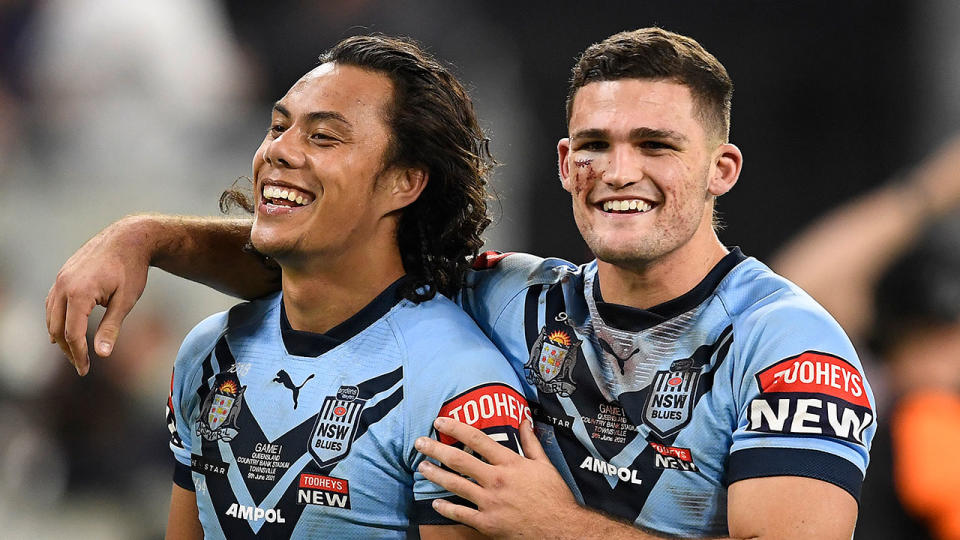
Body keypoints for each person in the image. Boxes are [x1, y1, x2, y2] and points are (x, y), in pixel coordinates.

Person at [47, 28, 874, 538]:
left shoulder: (788, 346)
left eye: (656, 145)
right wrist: (143, 238)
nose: (620, 171)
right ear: (563, 162)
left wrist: (555, 527)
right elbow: (325, 259)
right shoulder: (517, 301)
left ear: (721, 169)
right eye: (594, 143)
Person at [137, 34, 530, 539]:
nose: (279, 150)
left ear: (405, 181)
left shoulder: (458, 386)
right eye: (278, 127)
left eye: (323, 137)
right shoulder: (209, 352)